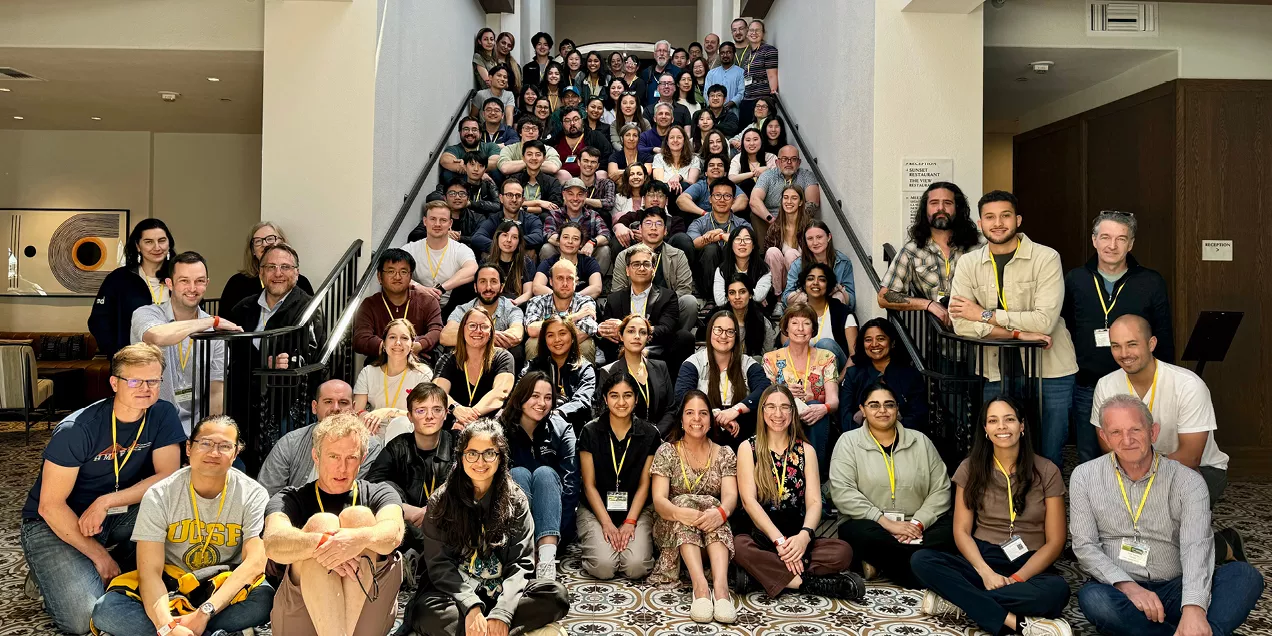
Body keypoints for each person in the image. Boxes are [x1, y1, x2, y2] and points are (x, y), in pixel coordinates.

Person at [20, 343, 185, 635]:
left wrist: (106, 502)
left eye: (153, 380)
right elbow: (50, 506)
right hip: (57, 522)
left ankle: (95, 565)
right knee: (82, 619)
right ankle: (53, 569)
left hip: (114, 514)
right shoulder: (77, 429)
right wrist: (100, 556)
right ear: (114, 383)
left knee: (176, 503)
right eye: (134, 380)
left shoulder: (162, 413)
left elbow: (168, 474)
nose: (145, 388)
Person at [1071, 395, 1264, 636]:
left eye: (1135, 429)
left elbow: (1196, 546)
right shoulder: (1084, 476)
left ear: (1153, 432)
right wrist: (1130, 587)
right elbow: (1085, 546)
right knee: (1094, 599)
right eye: (1116, 432)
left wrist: (1194, 607)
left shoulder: (1188, 481)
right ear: (1104, 437)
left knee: (1244, 576)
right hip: (1122, 590)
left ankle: (1191, 626)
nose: (1127, 440)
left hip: (1177, 588)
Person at [88, 416, 274, 636]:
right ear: (188, 448)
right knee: (106, 610)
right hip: (171, 583)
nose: (214, 453)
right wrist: (165, 626)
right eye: (205, 443)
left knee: (264, 600)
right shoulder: (160, 494)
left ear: (235, 454)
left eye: (225, 446)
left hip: (221, 584)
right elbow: (150, 572)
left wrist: (205, 612)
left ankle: (192, 629)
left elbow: (255, 562)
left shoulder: (252, 494)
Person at [911, 395, 1072, 636]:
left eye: (1009, 420)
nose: (1002, 427)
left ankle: (959, 601)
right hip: (983, 557)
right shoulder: (970, 467)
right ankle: (1013, 622)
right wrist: (986, 573)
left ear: (1022, 426)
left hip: (1030, 562)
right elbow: (961, 531)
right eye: (993, 421)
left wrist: (1017, 578)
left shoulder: (1047, 470)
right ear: (985, 429)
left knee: (1057, 592)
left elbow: (1056, 541)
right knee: (921, 560)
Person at [950, 190, 1077, 470]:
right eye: (990, 217)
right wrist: (1019, 334)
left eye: (1005, 216)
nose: (998, 223)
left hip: (1052, 369)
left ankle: (1047, 506)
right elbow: (960, 323)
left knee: (1050, 450)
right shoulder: (968, 263)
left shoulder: (1046, 258)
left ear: (1018, 220)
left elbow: (1044, 322)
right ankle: (1005, 507)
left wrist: (983, 315)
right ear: (980, 223)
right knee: (1000, 446)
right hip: (995, 369)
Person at [408, 420, 570, 635]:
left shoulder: (515, 499)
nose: (480, 462)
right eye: (472, 453)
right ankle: (493, 630)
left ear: (500, 457)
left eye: (489, 453)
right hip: (457, 595)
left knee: (555, 595)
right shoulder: (441, 501)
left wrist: (503, 611)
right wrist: (471, 605)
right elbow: (439, 565)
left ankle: (487, 627)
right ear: (461, 456)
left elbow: (521, 564)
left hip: (501, 590)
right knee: (425, 611)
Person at [262, 414, 406, 636]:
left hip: (369, 605)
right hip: (303, 611)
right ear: (316, 456)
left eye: (351, 457)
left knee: (360, 518)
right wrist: (324, 543)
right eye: (333, 456)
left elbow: (393, 534)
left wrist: (356, 540)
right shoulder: (290, 498)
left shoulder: (380, 492)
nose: (342, 467)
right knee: (322, 522)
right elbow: (273, 542)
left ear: (363, 458)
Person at [734, 386, 864, 601]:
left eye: (785, 407)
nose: (778, 414)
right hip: (762, 537)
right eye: (771, 407)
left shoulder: (806, 450)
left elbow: (814, 502)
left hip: (796, 538)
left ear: (793, 413)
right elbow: (749, 502)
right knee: (738, 547)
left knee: (843, 552)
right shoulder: (748, 448)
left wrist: (804, 537)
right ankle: (806, 583)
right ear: (762, 411)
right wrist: (778, 541)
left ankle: (759, 577)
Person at [1064, 211, 1174, 464]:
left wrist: (1166, 379)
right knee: (1090, 454)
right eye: (1105, 237)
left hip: (1136, 382)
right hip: (1087, 383)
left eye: (1121, 239)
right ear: (1094, 240)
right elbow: (1066, 327)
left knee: (1137, 449)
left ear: (1131, 244)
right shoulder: (1076, 279)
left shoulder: (1150, 281)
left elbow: (1163, 333)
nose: (1112, 246)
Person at [1091, 315, 1229, 505]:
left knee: (1162, 507)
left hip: (1199, 469)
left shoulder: (1188, 385)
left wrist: (1143, 477)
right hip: (1130, 468)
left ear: (1151, 344)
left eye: (1132, 344)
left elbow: (1191, 456)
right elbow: (1107, 445)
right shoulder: (1106, 385)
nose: (1124, 353)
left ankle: (1218, 536)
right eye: (1116, 346)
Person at [829, 382, 954, 588]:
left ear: (897, 408)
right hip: (872, 525)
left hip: (917, 526)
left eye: (889, 405)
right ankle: (920, 570)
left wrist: (917, 524)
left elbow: (941, 489)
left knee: (952, 530)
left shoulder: (920, 442)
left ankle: (882, 563)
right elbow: (843, 492)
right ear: (862, 409)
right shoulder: (848, 442)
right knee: (861, 534)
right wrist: (887, 524)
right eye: (874, 405)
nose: (882, 411)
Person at [649, 390, 739, 623]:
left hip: (710, 535)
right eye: (690, 413)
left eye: (703, 413)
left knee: (714, 506)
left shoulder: (725, 453)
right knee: (683, 500)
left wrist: (720, 513)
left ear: (711, 419)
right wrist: (682, 513)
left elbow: (730, 496)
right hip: (672, 528)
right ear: (681, 419)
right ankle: (700, 588)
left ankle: (721, 590)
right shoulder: (667, 451)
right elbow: (659, 501)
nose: (696, 419)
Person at [131, 251, 237, 436]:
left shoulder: (215, 330)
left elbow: (216, 391)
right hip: (149, 425)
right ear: (170, 284)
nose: (192, 288)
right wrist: (211, 322)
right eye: (184, 281)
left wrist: (210, 437)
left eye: (199, 281)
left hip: (195, 428)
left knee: (238, 465)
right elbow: (157, 336)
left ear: (207, 284)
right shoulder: (146, 314)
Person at [577, 372, 660, 581]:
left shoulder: (650, 434)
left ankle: (625, 545)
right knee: (604, 567)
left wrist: (630, 521)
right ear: (605, 399)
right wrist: (606, 523)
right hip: (597, 508)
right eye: (614, 396)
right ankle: (604, 546)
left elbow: (644, 485)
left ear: (636, 399)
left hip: (636, 508)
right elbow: (589, 485)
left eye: (627, 395)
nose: (621, 402)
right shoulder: (590, 431)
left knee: (636, 567)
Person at [499, 371, 581, 580]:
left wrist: (554, 530)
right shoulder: (500, 428)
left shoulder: (561, 428)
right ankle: (522, 552)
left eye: (547, 397)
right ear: (521, 396)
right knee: (518, 474)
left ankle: (546, 561)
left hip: (554, 529)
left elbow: (571, 485)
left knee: (545, 474)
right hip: (511, 527)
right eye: (534, 396)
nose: (541, 403)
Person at [363, 381, 453, 560]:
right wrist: (407, 510)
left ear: (445, 414)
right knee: (387, 488)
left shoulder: (458, 445)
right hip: (409, 523)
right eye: (421, 410)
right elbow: (370, 489)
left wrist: (434, 510)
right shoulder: (398, 446)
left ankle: (424, 557)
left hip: (448, 521)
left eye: (436, 409)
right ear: (410, 416)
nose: (429, 416)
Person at [878, 181, 981, 325]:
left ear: (958, 207)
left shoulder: (980, 245)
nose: (941, 208)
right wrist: (928, 304)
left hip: (980, 338)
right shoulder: (913, 251)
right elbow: (884, 296)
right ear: (925, 209)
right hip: (939, 341)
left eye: (947, 203)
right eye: (934, 203)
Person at [257, 380, 383, 496]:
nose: (336, 408)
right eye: (328, 402)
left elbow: (361, 497)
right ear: (314, 407)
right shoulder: (290, 443)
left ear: (354, 408)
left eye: (343, 403)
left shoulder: (369, 447)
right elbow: (267, 494)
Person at [675, 311, 772, 449]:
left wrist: (735, 411)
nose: (723, 336)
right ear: (710, 332)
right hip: (704, 427)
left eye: (730, 331)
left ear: (736, 335)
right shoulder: (693, 363)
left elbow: (764, 389)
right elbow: (682, 396)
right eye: (718, 330)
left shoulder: (747, 363)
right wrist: (717, 416)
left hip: (740, 430)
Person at [762, 304, 840, 470]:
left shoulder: (826, 357)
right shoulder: (771, 358)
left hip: (815, 418)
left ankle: (815, 479)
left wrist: (824, 408)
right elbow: (764, 398)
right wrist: (784, 392)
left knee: (815, 407)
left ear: (813, 329)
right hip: (782, 417)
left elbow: (833, 400)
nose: (800, 328)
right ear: (786, 328)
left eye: (806, 323)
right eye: (795, 323)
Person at [597, 243, 696, 373]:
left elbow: (666, 329)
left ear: (653, 270)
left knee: (684, 337)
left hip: (655, 350)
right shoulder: (614, 299)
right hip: (623, 349)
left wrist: (628, 329)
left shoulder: (667, 296)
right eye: (636, 264)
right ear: (627, 270)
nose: (641, 268)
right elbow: (610, 333)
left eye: (646, 264)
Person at [89, 218, 178, 360]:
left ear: (169, 243)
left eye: (162, 240)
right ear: (138, 246)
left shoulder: (179, 277)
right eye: (148, 242)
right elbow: (98, 321)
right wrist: (118, 353)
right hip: (132, 362)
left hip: (175, 360)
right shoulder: (118, 279)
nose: (157, 247)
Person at [225, 243, 322, 363]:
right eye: (271, 267)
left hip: (286, 381)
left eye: (285, 267)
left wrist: (287, 364)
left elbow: (312, 358)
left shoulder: (308, 308)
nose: (278, 273)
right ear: (261, 272)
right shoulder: (242, 308)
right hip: (244, 381)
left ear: (296, 273)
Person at [351, 248, 444, 362]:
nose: (397, 277)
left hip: (417, 361)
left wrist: (419, 345)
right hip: (382, 361)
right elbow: (360, 339)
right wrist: (392, 348)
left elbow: (437, 331)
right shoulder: (370, 304)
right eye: (391, 271)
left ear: (410, 277)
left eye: (403, 272)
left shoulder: (427, 302)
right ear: (380, 276)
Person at [433, 307, 517, 428]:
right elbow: (438, 391)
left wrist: (469, 417)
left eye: (484, 326)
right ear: (462, 329)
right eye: (472, 325)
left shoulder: (503, 357)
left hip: (490, 425)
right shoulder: (448, 360)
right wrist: (456, 408)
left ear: (491, 332)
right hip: (455, 423)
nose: (478, 331)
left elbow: (501, 392)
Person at [353, 319, 433, 443]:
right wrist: (364, 416)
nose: (398, 342)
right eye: (392, 337)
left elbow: (423, 414)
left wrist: (388, 412)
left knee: (400, 423)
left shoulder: (422, 374)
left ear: (412, 344)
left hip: (406, 432)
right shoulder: (368, 372)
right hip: (374, 430)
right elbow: (357, 410)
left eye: (404, 338)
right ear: (384, 344)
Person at [598, 315, 677, 435]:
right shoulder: (608, 372)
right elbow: (605, 413)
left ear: (648, 338)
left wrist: (656, 433)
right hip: (625, 440)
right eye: (630, 331)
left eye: (643, 332)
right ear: (621, 336)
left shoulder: (661, 367)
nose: (637, 336)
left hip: (658, 439)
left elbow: (671, 409)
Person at [843, 318, 926, 432]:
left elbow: (918, 415)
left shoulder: (910, 375)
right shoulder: (853, 374)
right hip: (860, 440)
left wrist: (890, 434)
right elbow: (845, 415)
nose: (874, 344)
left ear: (892, 343)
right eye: (868, 340)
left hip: (901, 438)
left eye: (881, 339)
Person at [219, 221, 316, 316]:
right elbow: (225, 322)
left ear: (283, 244)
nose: (264, 244)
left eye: (270, 239)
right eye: (258, 241)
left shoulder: (301, 283)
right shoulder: (236, 283)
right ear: (253, 250)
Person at [441, 265, 527, 371]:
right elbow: (445, 336)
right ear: (475, 287)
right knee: (451, 349)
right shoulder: (463, 310)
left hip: (498, 363)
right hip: (468, 363)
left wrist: (481, 338)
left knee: (517, 351)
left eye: (494, 282)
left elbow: (516, 334)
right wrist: (488, 337)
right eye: (482, 282)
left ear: (501, 287)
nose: (488, 288)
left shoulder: (511, 309)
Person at [402, 200, 479, 319]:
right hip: (418, 306)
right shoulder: (410, 248)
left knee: (468, 287)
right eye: (433, 219)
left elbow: (473, 269)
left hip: (452, 310)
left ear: (450, 223)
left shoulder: (461, 249)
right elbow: (396, 273)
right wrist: (418, 287)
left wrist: (442, 289)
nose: (437, 224)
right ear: (425, 221)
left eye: (443, 220)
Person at [523, 316, 596, 432]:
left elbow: (582, 400)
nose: (557, 339)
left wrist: (556, 414)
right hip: (536, 425)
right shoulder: (533, 366)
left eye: (562, 333)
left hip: (573, 428)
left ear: (572, 337)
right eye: (550, 335)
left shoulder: (585, 369)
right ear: (544, 340)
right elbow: (519, 393)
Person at [689, 178, 753, 303]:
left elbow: (751, 245)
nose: (722, 200)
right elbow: (693, 243)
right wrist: (716, 237)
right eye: (717, 195)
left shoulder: (742, 224)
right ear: (710, 199)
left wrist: (722, 236)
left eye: (727, 196)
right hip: (705, 275)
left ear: (733, 200)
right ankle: (710, 299)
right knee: (711, 249)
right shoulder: (699, 222)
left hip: (734, 276)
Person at [525, 259, 600, 361]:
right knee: (532, 343)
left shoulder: (585, 302)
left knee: (586, 345)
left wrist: (553, 338)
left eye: (570, 278)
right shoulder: (537, 301)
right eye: (560, 278)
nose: (565, 283)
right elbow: (532, 329)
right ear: (551, 281)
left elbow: (588, 328)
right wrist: (574, 317)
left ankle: (581, 377)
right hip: (550, 347)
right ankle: (538, 376)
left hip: (570, 345)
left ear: (576, 282)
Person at [793, 262, 858, 375]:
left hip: (835, 374)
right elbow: (784, 349)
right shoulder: (794, 313)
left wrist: (839, 381)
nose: (815, 283)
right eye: (810, 279)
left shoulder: (843, 313)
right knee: (791, 342)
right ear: (804, 285)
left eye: (822, 279)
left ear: (828, 285)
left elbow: (854, 355)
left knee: (825, 345)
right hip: (802, 374)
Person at [541, 178, 613, 274]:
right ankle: (553, 282)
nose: (575, 199)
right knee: (547, 248)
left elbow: (606, 234)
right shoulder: (555, 214)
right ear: (564, 195)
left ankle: (595, 284)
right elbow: (548, 234)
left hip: (585, 255)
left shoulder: (593, 215)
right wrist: (570, 245)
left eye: (580, 194)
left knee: (604, 250)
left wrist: (592, 243)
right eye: (571, 194)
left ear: (585, 196)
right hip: (561, 254)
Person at [782, 220, 855, 310]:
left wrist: (838, 288)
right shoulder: (798, 265)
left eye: (819, 237)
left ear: (829, 237)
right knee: (802, 297)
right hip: (807, 310)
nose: (815, 242)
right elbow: (786, 299)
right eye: (810, 238)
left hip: (832, 306)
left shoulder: (843, 262)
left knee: (838, 296)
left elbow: (851, 300)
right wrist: (802, 292)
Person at [750, 146, 820, 238]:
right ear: (777, 162)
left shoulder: (806, 176)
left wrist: (790, 222)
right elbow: (754, 200)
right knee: (754, 215)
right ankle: (763, 251)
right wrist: (771, 220)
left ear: (799, 162)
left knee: (810, 221)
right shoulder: (768, 175)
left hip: (797, 221)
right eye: (784, 159)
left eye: (793, 159)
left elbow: (813, 203)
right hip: (770, 221)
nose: (789, 162)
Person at [471, 178, 547, 257]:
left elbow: (538, 237)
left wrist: (512, 244)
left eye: (518, 196)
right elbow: (477, 238)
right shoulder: (494, 219)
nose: (514, 200)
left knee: (531, 252)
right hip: (497, 261)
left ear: (523, 200)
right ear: (501, 198)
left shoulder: (532, 219)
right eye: (509, 195)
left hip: (521, 261)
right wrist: (503, 246)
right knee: (486, 254)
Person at [534, 221, 603, 299]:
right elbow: (537, 287)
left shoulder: (589, 262)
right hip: (554, 305)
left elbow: (596, 288)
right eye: (565, 237)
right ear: (558, 241)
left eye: (575, 239)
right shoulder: (549, 263)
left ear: (580, 244)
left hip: (583, 305)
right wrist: (560, 298)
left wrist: (573, 299)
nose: (570, 242)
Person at [764, 184, 812, 294]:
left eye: (794, 198)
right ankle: (778, 301)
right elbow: (767, 260)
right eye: (785, 197)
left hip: (802, 280)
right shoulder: (775, 228)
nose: (789, 201)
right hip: (779, 280)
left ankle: (795, 295)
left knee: (791, 254)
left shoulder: (808, 226)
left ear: (800, 202)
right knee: (772, 251)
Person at [426, 173, 496, 245]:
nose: (457, 197)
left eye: (462, 194)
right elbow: (416, 234)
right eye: (452, 193)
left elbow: (481, 239)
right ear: (445, 198)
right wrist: (440, 234)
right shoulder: (435, 214)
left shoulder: (478, 218)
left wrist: (458, 237)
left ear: (468, 198)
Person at [679, 154, 748, 223]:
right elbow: (681, 200)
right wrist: (705, 214)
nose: (716, 167)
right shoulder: (700, 186)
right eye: (711, 165)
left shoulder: (730, 185)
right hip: (703, 222)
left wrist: (727, 212)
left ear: (725, 173)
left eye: (720, 165)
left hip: (726, 222)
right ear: (705, 173)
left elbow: (743, 199)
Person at [713, 225, 771, 308]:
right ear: (731, 245)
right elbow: (720, 301)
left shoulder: (764, 269)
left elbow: (758, 297)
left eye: (747, 239)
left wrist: (730, 295)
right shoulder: (721, 270)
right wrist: (750, 295)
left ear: (754, 245)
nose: (742, 243)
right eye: (737, 239)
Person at [725, 273, 777, 358]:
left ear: (750, 295)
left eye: (742, 292)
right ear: (727, 297)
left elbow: (768, 357)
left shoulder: (762, 322)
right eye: (732, 293)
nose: (737, 297)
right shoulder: (720, 321)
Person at [484, 221, 536, 306]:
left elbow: (528, 293)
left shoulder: (527, 262)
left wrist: (514, 303)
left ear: (519, 242)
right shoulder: (486, 262)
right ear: (497, 237)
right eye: (505, 235)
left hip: (516, 305)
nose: (508, 240)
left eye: (514, 237)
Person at [739, 20, 779, 127]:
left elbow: (772, 75)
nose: (754, 33)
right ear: (747, 33)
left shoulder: (769, 50)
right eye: (751, 30)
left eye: (757, 30)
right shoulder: (748, 55)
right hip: (748, 98)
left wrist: (772, 97)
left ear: (763, 33)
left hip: (761, 99)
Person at [552, 109, 611, 181]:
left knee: (602, 174)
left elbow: (607, 155)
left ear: (582, 121)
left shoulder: (595, 136)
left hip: (590, 177)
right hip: (564, 180)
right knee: (561, 174)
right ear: (562, 124)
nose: (572, 123)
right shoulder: (556, 140)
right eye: (567, 121)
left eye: (576, 119)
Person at [512, 141, 566, 217]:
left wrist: (525, 208)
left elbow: (555, 206)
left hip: (542, 222)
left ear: (544, 158)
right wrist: (539, 203)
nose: (534, 158)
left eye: (538, 155)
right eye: (529, 154)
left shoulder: (552, 182)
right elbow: (508, 202)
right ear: (523, 158)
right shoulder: (514, 180)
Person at [440, 117, 501, 183]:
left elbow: (495, 162)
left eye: (474, 130)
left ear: (480, 134)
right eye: (466, 129)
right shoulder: (454, 149)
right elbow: (444, 160)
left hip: (487, 186)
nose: (470, 133)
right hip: (462, 188)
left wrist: (467, 167)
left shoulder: (490, 146)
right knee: (447, 173)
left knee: (496, 172)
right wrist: (478, 174)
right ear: (460, 132)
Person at [498, 117, 564, 178]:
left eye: (534, 129)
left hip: (542, 182)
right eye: (527, 129)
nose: (531, 132)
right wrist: (532, 162)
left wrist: (521, 164)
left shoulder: (548, 149)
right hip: (514, 183)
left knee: (563, 174)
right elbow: (505, 168)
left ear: (539, 133)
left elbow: (553, 168)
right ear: (520, 132)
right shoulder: (509, 149)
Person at [652, 125, 700, 197]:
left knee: (685, 186)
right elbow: (659, 182)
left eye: (679, 137)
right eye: (671, 137)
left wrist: (679, 177)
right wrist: (673, 183)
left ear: (684, 141)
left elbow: (692, 182)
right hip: (665, 196)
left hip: (686, 197)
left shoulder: (694, 159)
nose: (675, 140)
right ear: (667, 142)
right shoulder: (658, 158)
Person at [728, 129, 776, 198]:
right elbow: (732, 178)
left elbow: (778, 176)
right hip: (746, 199)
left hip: (769, 197)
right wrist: (753, 173)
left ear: (761, 141)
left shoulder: (770, 157)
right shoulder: (737, 158)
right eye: (748, 140)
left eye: (755, 139)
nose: (752, 143)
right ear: (743, 143)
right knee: (747, 183)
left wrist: (766, 169)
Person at [576, 145, 616, 220]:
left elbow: (610, 203)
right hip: (574, 221)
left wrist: (583, 200)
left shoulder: (607, 183)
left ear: (598, 166)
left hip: (598, 223)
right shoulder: (571, 184)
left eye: (593, 162)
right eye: (585, 161)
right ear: (578, 162)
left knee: (604, 214)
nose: (589, 165)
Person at [705, 43, 744, 113]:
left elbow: (741, 93)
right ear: (719, 55)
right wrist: (714, 106)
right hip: (713, 113)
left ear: (734, 54)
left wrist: (729, 104)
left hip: (733, 112)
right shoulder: (711, 73)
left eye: (728, 52)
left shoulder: (741, 73)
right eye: (722, 53)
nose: (725, 55)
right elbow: (706, 93)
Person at [640, 41, 681, 105]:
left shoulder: (677, 72)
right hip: (650, 112)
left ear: (669, 54)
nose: (661, 53)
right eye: (659, 50)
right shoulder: (646, 73)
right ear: (654, 54)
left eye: (665, 51)